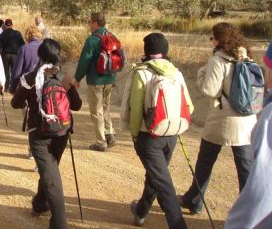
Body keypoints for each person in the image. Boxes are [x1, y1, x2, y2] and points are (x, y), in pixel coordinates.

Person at [179, 22, 256, 216]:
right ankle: (250, 210)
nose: (211, 41)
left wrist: (201, 73)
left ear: (220, 40)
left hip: (223, 119)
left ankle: (194, 201)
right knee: (245, 167)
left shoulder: (218, 60)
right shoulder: (248, 58)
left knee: (205, 161)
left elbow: (209, 90)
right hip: (247, 119)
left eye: (212, 38)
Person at [121, 33, 193, 229]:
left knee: (163, 184)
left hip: (149, 136)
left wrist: (135, 134)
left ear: (146, 51)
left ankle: (178, 226)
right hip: (172, 135)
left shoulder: (141, 73)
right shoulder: (176, 73)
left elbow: (135, 109)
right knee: (157, 176)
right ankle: (141, 211)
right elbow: (190, 106)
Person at [11, 38, 81, 229]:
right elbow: (77, 105)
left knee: (51, 176)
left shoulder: (30, 78)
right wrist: (70, 86)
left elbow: (15, 103)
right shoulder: (63, 77)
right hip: (62, 131)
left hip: (39, 133)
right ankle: (40, 204)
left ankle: (60, 224)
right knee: (49, 170)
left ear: (40, 55)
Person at [224, 51, 272, 229]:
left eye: (267, 71)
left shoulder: (270, 116)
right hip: (248, 119)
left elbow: (263, 188)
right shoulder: (250, 65)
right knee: (244, 162)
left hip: (226, 121)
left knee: (206, 160)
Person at [75, 12, 117, 151]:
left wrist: (78, 78)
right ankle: (110, 133)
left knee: (96, 110)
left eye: (89, 22)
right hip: (110, 78)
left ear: (95, 23)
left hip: (96, 79)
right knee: (106, 107)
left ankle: (101, 142)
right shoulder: (112, 36)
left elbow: (84, 61)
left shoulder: (92, 40)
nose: (89, 25)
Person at [9, 25, 43, 94]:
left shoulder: (24, 48)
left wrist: (13, 88)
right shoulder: (45, 47)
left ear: (27, 35)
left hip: (27, 84)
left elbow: (17, 71)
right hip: (42, 83)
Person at [0, 18, 25, 91]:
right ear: (12, 25)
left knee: (6, 71)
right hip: (15, 55)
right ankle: (14, 87)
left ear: (5, 25)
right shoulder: (17, 33)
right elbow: (22, 44)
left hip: (5, 55)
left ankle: (6, 87)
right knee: (14, 71)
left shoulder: (2, 34)